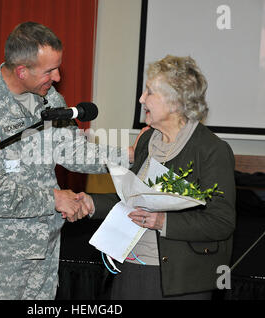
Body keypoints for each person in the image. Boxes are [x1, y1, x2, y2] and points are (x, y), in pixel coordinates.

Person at [0, 22, 127, 300]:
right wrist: (54, 199)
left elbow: (73, 151)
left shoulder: (47, 97)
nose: (57, 76)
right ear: (21, 71)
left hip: (43, 251)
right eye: (49, 70)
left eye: (57, 67)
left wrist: (131, 157)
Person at [84, 55, 236, 299]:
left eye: (150, 92)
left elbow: (221, 222)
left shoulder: (210, 150)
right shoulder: (147, 139)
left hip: (178, 281)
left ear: (175, 102)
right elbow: (131, 199)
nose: (141, 98)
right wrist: (89, 203)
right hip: (130, 268)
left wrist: (163, 222)